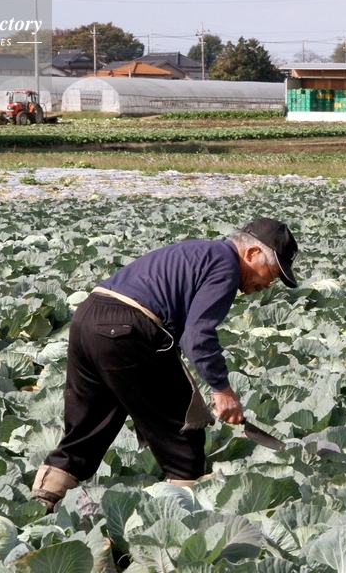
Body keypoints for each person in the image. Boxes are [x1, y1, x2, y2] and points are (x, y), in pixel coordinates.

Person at [31, 218, 299, 511]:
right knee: (184, 431)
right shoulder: (226, 266)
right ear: (252, 253)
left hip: (87, 318)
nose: (268, 284)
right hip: (128, 328)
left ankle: (45, 497)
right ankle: (183, 514)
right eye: (272, 273)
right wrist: (222, 390)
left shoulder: (198, 251)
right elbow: (198, 336)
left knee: (91, 422)